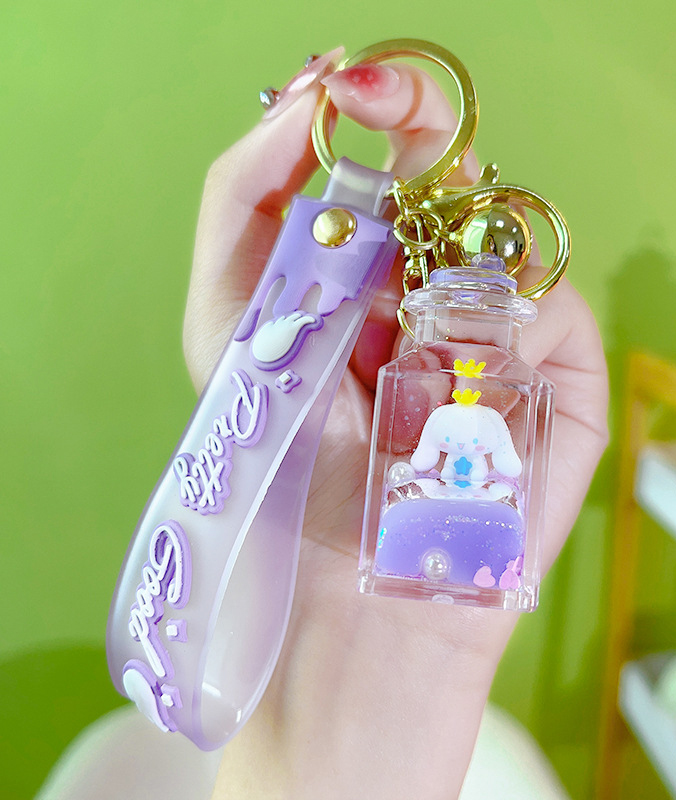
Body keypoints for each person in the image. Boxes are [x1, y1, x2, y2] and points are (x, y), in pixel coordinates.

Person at [187, 49, 608, 799]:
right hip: (410, 518)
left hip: (458, 531)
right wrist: (270, 429)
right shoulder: (432, 418)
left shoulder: (487, 415)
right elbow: (423, 463)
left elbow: (506, 469)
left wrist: (412, 655)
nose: (467, 377)